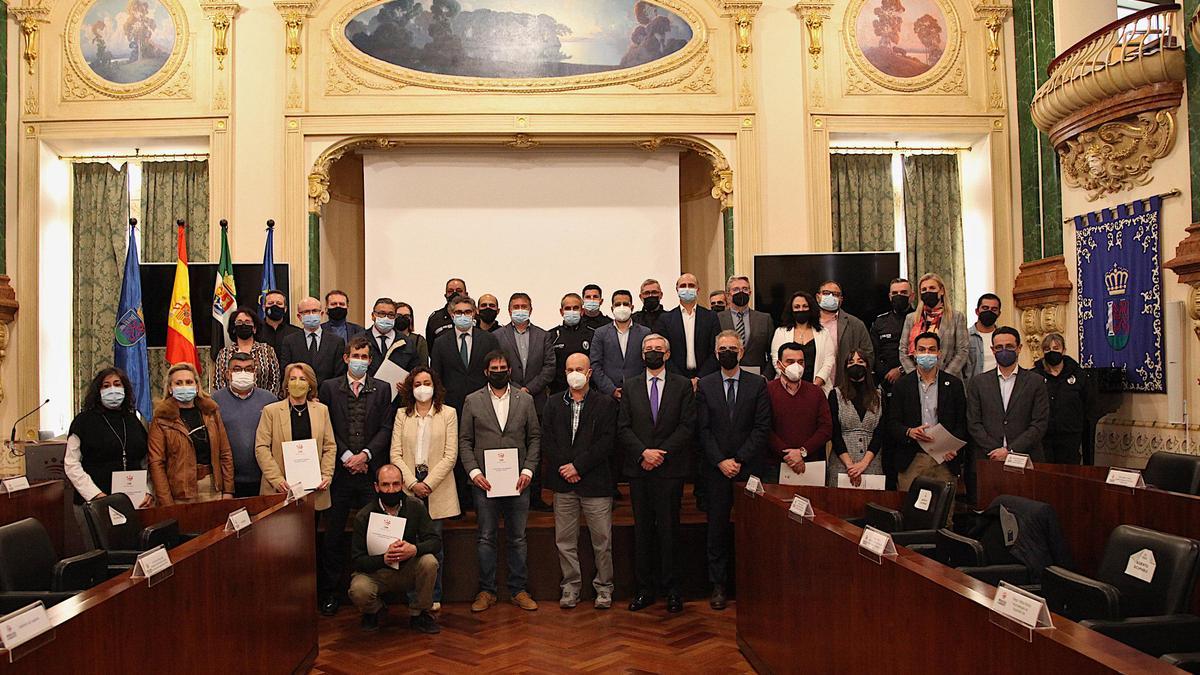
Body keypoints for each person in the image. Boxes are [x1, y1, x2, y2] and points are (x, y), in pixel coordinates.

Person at [316, 336, 397, 616]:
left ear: (370, 360)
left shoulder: (383, 389)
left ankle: (370, 593)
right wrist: (346, 456)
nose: (360, 360)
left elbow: (386, 428)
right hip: (338, 473)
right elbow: (325, 426)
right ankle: (332, 593)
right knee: (333, 537)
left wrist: (365, 455)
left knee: (372, 536)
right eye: (356, 355)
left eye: (365, 356)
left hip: (369, 473)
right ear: (345, 358)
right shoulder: (329, 388)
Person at [458, 351, 542, 612]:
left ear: (510, 371)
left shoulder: (524, 399)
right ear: (486, 372)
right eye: (494, 367)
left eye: (503, 367)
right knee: (485, 537)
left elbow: (535, 438)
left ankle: (519, 590)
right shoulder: (472, 401)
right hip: (485, 483)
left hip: (518, 482)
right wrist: (474, 473)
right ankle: (486, 591)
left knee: (518, 538)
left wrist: (528, 471)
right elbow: (465, 441)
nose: (498, 371)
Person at [619, 334, 695, 614]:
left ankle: (672, 590)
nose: (652, 352)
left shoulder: (682, 385)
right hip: (639, 470)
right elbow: (623, 427)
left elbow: (687, 426)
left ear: (667, 353)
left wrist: (660, 454)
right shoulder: (630, 386)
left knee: (669, 530)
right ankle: (644, 589)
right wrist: (644, 453)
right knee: (643, 532)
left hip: (669, 470)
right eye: (648, 349)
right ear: (642, 354)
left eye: (657, 349)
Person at [696, 331, 770, 610]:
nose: (727, 352)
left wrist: (738, 458)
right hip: (716, 471)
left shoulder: (758, 384)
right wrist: (721, 461)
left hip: (748, 468)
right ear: (716, 354)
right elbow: (702, 429)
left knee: (751, 528)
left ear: (741, 352)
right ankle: (718, 585)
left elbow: (762, 427)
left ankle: (750, 585)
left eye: (732, 348)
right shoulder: (705, 385)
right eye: (722, 349)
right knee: (716, 530)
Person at [542, 353, 617, 609]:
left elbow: (607, 442)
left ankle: (604, 588)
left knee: (602, 541)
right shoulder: (552, 404)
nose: (575, 373)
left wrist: (578, 467)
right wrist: (567, 468)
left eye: (580, 369)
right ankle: (570, 587)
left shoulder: (605, 404)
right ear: (564, 373)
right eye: (570, 369)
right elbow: (548, 440)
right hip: (563, 483)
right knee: (565, 541)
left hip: (595, 483)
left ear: (589, 373)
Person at [391, 367, 460, 610]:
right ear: (411, 388)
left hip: (436, 484)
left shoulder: (448, 414)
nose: (422, 387)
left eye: (427, 382)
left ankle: (434, 596)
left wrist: (427, 483)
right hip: (410, 484)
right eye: (417, 383)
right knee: (410, 544)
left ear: (435, 386)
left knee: (434, 543)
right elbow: (395, 454)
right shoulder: (402, 414)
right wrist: (412, 484)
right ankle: (414, 598)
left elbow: (450, 455)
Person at [348, 464, 442, 634]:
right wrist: (383, 559)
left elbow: (435, 541)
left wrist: (414, 549)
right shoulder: (364, 515)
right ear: (376, 487)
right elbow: (357, 559)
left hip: (408, 568)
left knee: (429, 562)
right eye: (385, 485)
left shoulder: (415, 506)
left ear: (403, 484)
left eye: (396, 484)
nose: (391, 490)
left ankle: (419, 613)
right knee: (359, 589)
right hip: (377, 573)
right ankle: (373, 611)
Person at [886, 332, 968, 493]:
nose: (926, 354)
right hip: (912, 458)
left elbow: (962, 423)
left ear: (939, 353)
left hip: (944, 459)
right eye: (922, 350)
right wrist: (909, 432)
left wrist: (953, 448)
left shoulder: (954, 384)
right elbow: (892, 423)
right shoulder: (902, 385)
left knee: (943, 514)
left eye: (931, 350)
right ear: (914, 354)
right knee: (912, 513)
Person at [148, 362, 235, 505]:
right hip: (180, 494)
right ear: (170, 388)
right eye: (178, 383)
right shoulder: (161, 419)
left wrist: (228, 491)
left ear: (196, 386)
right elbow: (156, 464)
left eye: (189, 382)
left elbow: (225, 453)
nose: (184, 386)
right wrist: (167, 502)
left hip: (212, 488)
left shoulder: (211, 412)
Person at [65, 368, 151, 511]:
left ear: (125, 389)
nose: (113, 389)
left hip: (134, 501)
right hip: (95, 502)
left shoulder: (133, 421)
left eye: (117, 384)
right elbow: (71, 464)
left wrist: (148, 490)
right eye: (106, 386)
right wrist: (96, 495)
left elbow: (145, 461)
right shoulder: (83, 421)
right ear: (98, 391)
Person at [254, 363, 337, 506]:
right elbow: (261, 448)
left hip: (314, 489)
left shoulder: (322, 410)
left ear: (310, 384)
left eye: (302, 379)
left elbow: (329, 446)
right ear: (286, 384)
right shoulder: (271, 411)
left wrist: (326, 475)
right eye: (292, 379)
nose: (297, 383)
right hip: (280, 489)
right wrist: (277, 479)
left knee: (310, 528)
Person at [966, 327, 1051, 463]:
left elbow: (1039, 424)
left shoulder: (1036, 381)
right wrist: (995, 450)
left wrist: (1009, 451)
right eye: (999, 347)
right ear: (993, 350)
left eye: (1009, 346)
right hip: (988, 457)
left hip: (1025, 456)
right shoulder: (978, 382)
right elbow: (974, 423)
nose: (1004, 351)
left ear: (1019, 348)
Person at [211, 352, 278, 498]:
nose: (243, 373)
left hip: (263, 480)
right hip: (228, 482)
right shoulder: (214, 401)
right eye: (237, 369)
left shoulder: (270, 399)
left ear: (255, 374)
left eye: (248, 369)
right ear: (228, 374)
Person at [766, 343, 832, 483]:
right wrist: (788, 454)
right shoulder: (767, 390)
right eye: (790, 362)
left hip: (811, 466)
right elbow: (763, 427)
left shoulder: (816, 392)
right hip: (775, 466)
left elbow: (826, 428)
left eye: (800, 362)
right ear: (779, 364)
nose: (796, 366)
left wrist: (802, 452)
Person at [430, 295, 501, 413]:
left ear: (474, 313)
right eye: (458, 312)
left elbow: (495, 371)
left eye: (467, 312)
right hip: (450, 405)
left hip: (483, 403)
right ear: (452, 315)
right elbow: (436, 376)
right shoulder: (440, 342)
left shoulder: (489, 339)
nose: (463, 315)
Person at [1032, 333, 1096, 465]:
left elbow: (1089, 406)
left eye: (1056, 348)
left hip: (1070, 435)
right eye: (1047, 349)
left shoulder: (1079, 375)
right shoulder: (1034, 375)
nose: (1052, 352)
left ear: (1063, 350)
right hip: (1043, 437)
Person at [828, 350, 886, 487]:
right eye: (851, 362)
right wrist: (850, 465)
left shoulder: (879, 395)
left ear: (867, 366)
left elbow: (881, 432)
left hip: (871, 463)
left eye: (860, 362)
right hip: (842, 463)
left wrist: (864, 463)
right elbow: (834, 433)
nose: (856, 365)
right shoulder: (835, 394)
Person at [653, 273, 721, 385]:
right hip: (675, 380)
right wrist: (682, 380)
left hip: (706, 379)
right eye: (683, 286)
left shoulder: (711, 317)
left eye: (691, 285)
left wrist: (700, 378)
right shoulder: (665, 319)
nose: (687, 289)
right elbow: (664, 353)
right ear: (677, 290)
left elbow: (715, 350)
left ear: (698, 289)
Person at [900, 274, 970, 380]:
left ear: (941, 291)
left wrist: (944, 377)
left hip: (948, 379)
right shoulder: (911, 318)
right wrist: (915, 376)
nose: (928, 292)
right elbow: (903, 350)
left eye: (932, 288)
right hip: (917, 380)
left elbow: (962, 351)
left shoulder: (956, 317)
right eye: (924, 289)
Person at [495, 292, 555, 413]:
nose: (520, 310)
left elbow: (550, 367)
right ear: (509, 310)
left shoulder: (543, 335)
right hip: (507, 399)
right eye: (516, 307)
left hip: (537, 400)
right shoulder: (497, 336)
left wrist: (529, 389)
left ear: (530, 310)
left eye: (524, 307)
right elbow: (496, 367)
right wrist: (516, 389)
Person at [591, 289, 652, 400]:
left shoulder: (645, 333)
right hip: (607, 396)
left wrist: (636, 388)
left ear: (632, 308)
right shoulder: (600, 333)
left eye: (625, 304)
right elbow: (595, 365)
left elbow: (648, 364)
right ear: (612, 308)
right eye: (618, 304)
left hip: (638, 394)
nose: (622, 307)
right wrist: (611, 389)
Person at [771, 291, 835, 392]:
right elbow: (776, 360)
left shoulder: (823, 333)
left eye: (805, 306)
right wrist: (791, 381)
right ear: (791, 310)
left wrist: (816, 385)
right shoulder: (780, 332)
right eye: (797, 307)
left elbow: (829, 360)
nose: (801, 309)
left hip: (817, 388)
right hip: (787, 388)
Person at [279, 296, 348, 388]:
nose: (311, 314)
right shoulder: (289, 341)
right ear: (299, 316)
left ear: (322, 313)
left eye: (315, 311)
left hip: (327, 396)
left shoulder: (336, 341)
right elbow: (286, 372)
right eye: (306, 312)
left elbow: (339, 375)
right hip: (299, 394)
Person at [212, 305, 281, 394]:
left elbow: (275, 380)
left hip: (264, 404)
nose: (243, 325)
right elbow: (219, 382)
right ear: (234, 328)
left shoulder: (267, 351)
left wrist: (267, 402)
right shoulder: (224, 353)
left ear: (254, 328)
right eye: (239, 322)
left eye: (247, 322)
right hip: (231, 404)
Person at [817, 280, 874, 385]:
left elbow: (868, 355)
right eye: (826, 293)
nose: (830, 297)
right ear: (818, 297)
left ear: (841, 300)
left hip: (845, 387)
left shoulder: (856, 324)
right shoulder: (807, 323)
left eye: (835, 294)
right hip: (813, 386)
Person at [717, 275, 775, 378]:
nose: (741, 292)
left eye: (745, 289)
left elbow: (773, 353)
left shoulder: (764, 319)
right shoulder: (717, 319)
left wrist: (766, 376)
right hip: (725, 377)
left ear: (750, 293)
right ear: (728, 295)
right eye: (736, 289)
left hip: (758, 378)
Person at [547, 293, 596, 395]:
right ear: (561, 311)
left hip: (588, 392)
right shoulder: (551, 336)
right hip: (559, 392)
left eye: (575, 308)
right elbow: (548, 366)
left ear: (582, 311)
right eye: (568, 308)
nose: (572, 311)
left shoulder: (593, 334)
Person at [870, 278, 914, 392]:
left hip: (913, 378)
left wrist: (901, 370)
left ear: (912, 296)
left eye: (904, 293)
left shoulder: (920, 320)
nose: (899, 296)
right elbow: (873, 352)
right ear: (890, 297)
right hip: (885, 381)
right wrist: (886, 374)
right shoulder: (880, 322)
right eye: (895, 293)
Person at [362, 297, 420, 377]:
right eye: (381, 314)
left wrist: (407, 383)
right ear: (373, 316)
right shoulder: (360, 339)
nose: (386, 318)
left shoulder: (407, 343)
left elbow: (415, 372)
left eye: (390, 315)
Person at [965, 293, 1003, 383]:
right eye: (985, 308)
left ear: (999, 313)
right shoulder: (965, 337)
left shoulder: (1003, 338)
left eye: (994, 309)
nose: (989, 312)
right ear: (977, 311)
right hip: (973, 390)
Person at [425, 278, 468, 345]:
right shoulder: (435, 318)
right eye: (450, 291)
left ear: (466, 294)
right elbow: (431, 346)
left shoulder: (474, 317)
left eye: (459, 291)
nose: (455, 293)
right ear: (445, 295)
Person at [261, 290, 302, 355]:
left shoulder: (296, 333)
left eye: (279, 303)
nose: (274, 306)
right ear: (263, 307)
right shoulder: (256, 331)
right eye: (270, 303)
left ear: (285, 309)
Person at [394, 302, 430, 369]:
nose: (402, 318)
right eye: (399, 316)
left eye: (406, 316)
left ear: (411, 319)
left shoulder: (419, 341)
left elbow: (424, 366)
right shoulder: (388, 338)